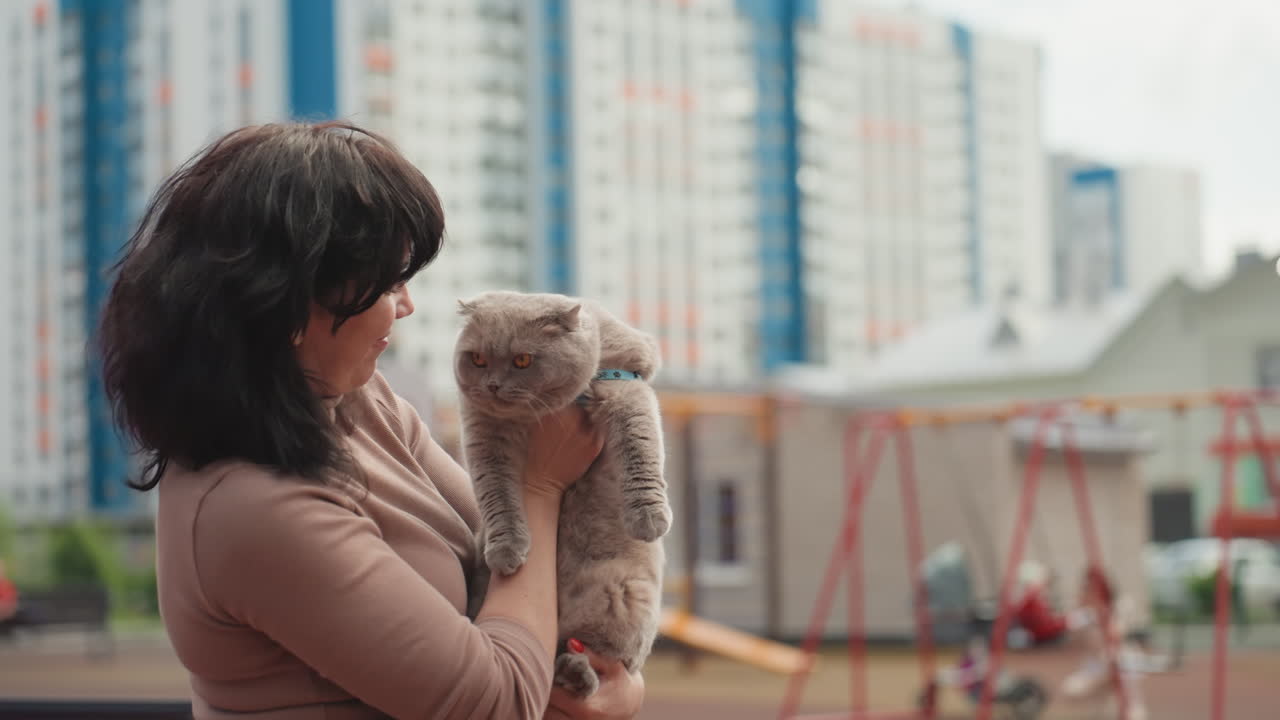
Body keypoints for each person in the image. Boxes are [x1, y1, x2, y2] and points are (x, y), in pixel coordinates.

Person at [98, 121, 645, 720]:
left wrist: (607, 680)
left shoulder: (361, 404)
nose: (407, 305)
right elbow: (500, 702)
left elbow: (514, 568)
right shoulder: (250, 507)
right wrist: (538, 487)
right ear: (288, 303)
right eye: (389, 283)